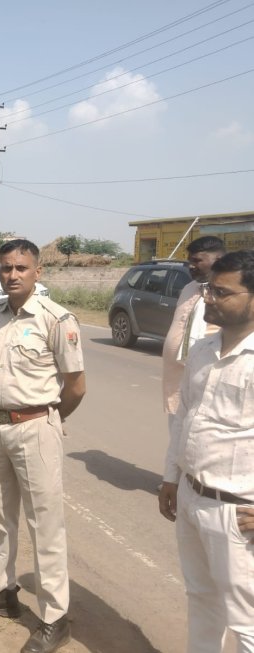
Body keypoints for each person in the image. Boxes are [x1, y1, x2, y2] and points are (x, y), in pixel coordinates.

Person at [0, 239, 86, 653]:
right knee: (0, 516)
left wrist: (47, 420)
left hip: (36, 427)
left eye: (21, 268)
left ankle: (54, 618)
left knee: (44, 526)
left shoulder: (56, 318)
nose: (12, 275)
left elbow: (76, 386)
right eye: (6, 268)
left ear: (38, 272)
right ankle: (2, 591)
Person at [158, 249, 254, 653]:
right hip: (191, 497)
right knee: (201, 602)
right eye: (208, 290)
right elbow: (183, 420)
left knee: (246, 619)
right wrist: (170, 478)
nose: (209, 300)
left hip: (236, 512)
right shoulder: (202, 349)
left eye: (222, 292)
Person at [162, 236, 225, 432]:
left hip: (207, 375)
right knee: (177, 432)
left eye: (197, 260)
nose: (191, 265)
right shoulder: (189, 288)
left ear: (218, 260)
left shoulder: (229, 292)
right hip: (178, 378)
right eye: (190, 260)